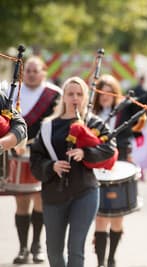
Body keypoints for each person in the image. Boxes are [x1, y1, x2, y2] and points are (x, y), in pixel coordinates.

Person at [91, 59, 147, 267]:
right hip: (94, 168)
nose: (106, 95)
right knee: (100, 216)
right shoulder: (90, 114)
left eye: (110, 91)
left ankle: (111, 259)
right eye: (102, 92)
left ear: (116, 92)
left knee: (117, 215)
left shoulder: (125, 109)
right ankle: (101, 262)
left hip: (119, 165)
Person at [29, 76, 117, 267]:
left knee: (76, 249)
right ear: (64, 97)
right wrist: (51, 166)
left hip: (85, 192)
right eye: (70, 94)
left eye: (79, 94)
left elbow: (110, 148)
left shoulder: (94, 123)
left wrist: (85, 152)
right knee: (53, 251)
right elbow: (35, 160)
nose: (75, 98)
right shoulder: (48, 126)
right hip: (53, 193)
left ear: (85, 97)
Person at [10, 56, 61, 264]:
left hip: (43, 155)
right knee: (22, 201)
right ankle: (23, 248)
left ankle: (36, 246)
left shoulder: (54, 95)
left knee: (40, 201)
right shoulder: (13, 93)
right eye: (28, 70)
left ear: (44, 72)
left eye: (34, 70)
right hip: (18, 153)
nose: (30, 74)